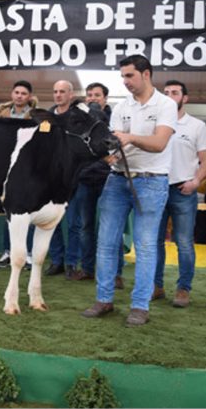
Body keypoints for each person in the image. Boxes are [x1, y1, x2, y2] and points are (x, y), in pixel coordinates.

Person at [81, 55, 175, 326]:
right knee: (106, 243)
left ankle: (140, 306)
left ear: (146, 74)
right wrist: (107, 152)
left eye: (129, 75)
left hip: (152, 181)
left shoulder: (166, 104)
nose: (125, 81)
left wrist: (129, 137)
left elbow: (159, 143)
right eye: (122, 76)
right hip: (117, 178)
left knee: (145, 246)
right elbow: (114, 144)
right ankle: (104, 300)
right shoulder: (122, 106)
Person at [153, 80, 206, 308]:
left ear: (184, 98)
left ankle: (183, 289)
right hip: (156, 188)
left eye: (175, 92)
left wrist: (196, 182)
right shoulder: (154, 123)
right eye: (166, 92)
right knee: (153, 242)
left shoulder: (196, 126)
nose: (170, 96)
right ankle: (156, 286)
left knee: (185, 243)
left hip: (183, 191)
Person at [79, 82, 124, 289]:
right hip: (85, 180)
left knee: (112, 228)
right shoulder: (81, 122)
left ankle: (116, 273)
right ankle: (87, 269)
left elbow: (115, 151)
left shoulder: (115, 119)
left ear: (105, 98)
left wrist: (103, 161)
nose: (92, 98)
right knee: (86, 226)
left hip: (110, 180)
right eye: (89, 95)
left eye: (97, 95)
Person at [0, 80, 38, 269]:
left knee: (28, 213)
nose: (19, 96)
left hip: (27, 169)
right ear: (12, 94)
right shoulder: (1, 115)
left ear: (29, 96)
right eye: (17, 92)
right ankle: (7, 252)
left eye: (23, 93)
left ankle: (27, 254)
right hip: (5, 169)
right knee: (8, 212)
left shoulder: (35, 116)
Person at [46, 80, 83, 278]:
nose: (58, 95)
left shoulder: (79, 118)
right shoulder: (46, 117)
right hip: (52, 180)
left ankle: (71, 263)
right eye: (55, 91)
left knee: (74, 224)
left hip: (74, 179)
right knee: (52, 222)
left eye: (62, 91)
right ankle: (56, 261)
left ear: (71, 95)